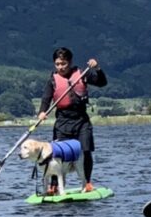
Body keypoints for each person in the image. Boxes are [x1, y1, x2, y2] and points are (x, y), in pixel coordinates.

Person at [36, 47, 107, 194]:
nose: (61, 67)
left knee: (86, 151)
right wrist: (42, 112)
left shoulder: (82, 74)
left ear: (70, 62)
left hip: (81, 120)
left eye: (64, 64)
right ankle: (54, 185)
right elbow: (46, 98)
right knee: (57, 154)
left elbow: (102, 82)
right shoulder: (52, 80)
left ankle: (87, 182)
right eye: (57, 64)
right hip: (62, 121)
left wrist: (98, 69)